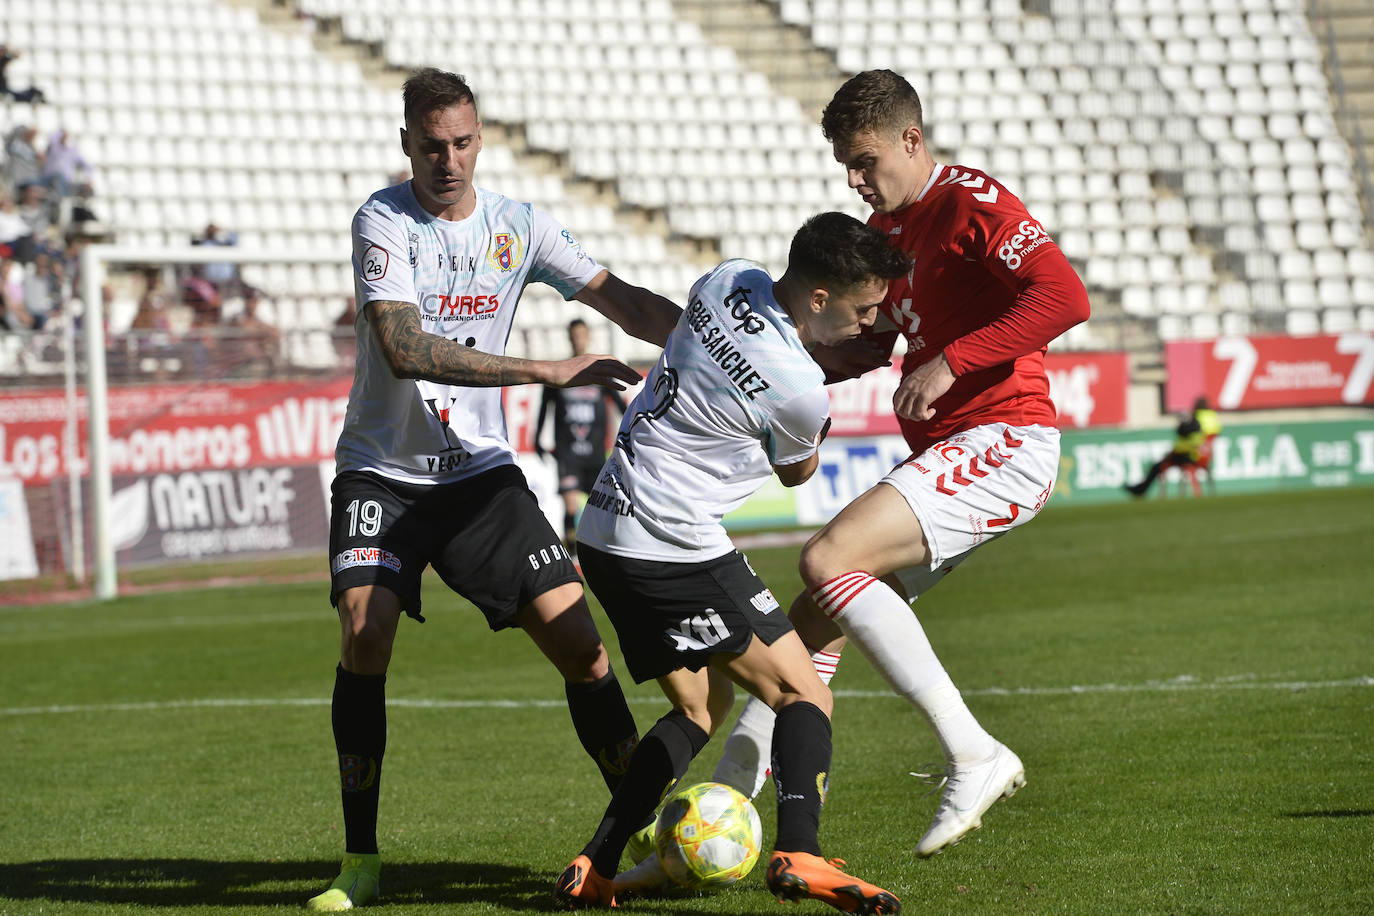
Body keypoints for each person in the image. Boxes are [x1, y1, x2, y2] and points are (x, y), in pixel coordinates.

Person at [308, 68, 681, 912]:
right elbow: (405, 347)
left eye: (464, 142)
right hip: (383, 471)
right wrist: (545, 369)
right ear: (407, 143)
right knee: (364, 633)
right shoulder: (382, 221)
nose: (450, 160)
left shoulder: (519, 226)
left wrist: (721, 341)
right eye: (433, 145)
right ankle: (360, 860)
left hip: (479, 475)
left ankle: (641, 828)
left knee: (583, 648)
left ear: (482, 140)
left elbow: (618, 298)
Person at [708, 69, 1092, 860]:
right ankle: (731, 783)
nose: (854, 179)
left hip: (1007, 439)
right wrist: (775, 372)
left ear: (911, 141)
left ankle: (973, 753)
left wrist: (954, 361)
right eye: (846, 165)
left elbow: (1065, 296)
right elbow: (875, 343)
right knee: (813, 615)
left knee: (826, 557)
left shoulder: (970, 202)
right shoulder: (892, 232)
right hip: (962, 448)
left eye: (864, 160)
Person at [553, 212, 910, 913]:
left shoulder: (728, 279)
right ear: (817, 298)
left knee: (699, 706)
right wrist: (818, 407)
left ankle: (594, 864)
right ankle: (800, 852)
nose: (869, 322)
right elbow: (797, 473)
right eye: (863, 307)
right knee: (804, 693)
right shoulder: (802, 390)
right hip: (673, 541)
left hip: (604, 529)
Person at [533, 318, 628, 554]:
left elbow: (620, 404)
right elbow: (544, 407)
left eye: (581, 334)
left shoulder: (598, 372)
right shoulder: (559, 373)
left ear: (588, 337)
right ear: (569, 337)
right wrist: (537, 439)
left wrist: (632, 431)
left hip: (596, 452)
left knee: (604, 506)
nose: (578, 339)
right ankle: (573, 555)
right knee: (571, 504)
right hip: (567, 453)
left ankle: (604, 549)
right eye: (574, 335)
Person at [1124, 397, 1222, 497]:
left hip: (1190, 455)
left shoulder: (1196, 418)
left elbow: (1192, 440)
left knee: (1158, 465)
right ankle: (1140, 489)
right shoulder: (1214, 416)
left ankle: (1141, 489)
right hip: (1205, 456)